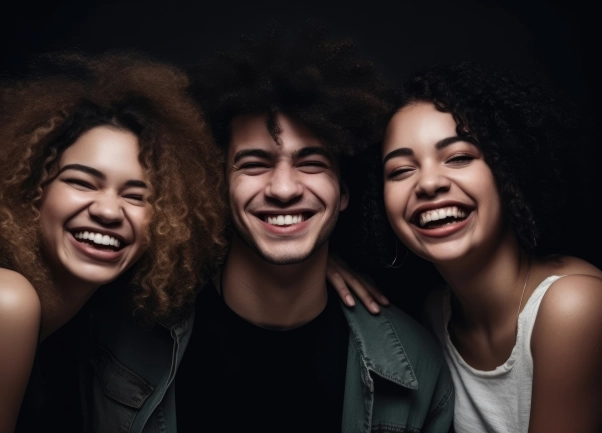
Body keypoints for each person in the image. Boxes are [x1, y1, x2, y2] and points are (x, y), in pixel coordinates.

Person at [81, 27, 454, 433]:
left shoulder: (416, 363)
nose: (283, 189)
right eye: (255, 164)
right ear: (219, 187)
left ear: (344, 191)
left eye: (311, 163)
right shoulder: (121, 328)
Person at [0, 52, 228, 433]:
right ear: (29, 189)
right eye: (81, 182)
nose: (109, 212)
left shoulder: (87, 321)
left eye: (136, 196)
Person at [376, 61, 602, 432]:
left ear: (507, 167)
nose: (429, 183)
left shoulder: (573, 307)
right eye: (401, 170)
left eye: (460, 157)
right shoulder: (436, 312)